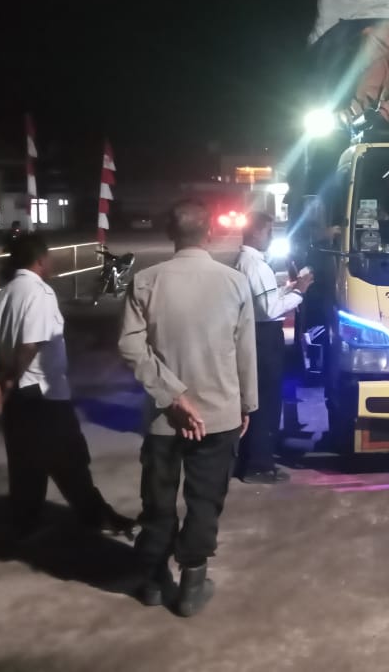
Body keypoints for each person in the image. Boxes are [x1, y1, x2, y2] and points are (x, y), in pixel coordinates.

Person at [119, 200, 258, 616]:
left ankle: (153, 580)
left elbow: (131, 346)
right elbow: (245, 353)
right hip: (218, 416)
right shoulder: (234, 282)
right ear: (210, 233)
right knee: (205, 500)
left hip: (164, 419)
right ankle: (192, 586)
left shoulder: (146, 281)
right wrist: (247, 404)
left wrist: (172, 395)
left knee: (159, 499)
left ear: (170, 233)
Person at [0, 233, 135, 542]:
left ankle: (25, 524)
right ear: (40, 261)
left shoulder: (1, 296)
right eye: (49, 258)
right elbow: (30, 345)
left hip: (18, 399)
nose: (51, 263)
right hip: (43, 395)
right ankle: (96, 517)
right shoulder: (39, 293)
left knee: (25, 465)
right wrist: (11, 379)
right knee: (72, 460)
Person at [234, 212, 313, 484]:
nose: (271, 237)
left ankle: (250, 459)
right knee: (266, 402)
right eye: (269, 231)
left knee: (256, 399)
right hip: (264, 337)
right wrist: (299, 292)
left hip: (255, 334)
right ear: (256, 232)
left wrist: (288, 288)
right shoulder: (256, 266)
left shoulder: (247, 262)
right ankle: (258, 465)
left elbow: (265, 299)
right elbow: (269, 309)